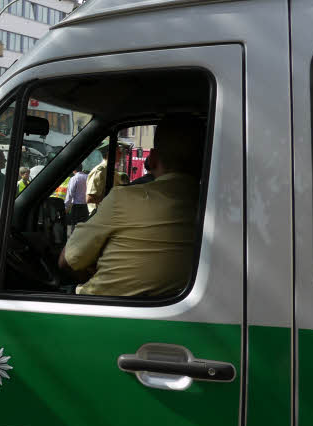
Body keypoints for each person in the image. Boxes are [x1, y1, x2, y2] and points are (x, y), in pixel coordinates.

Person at [58, 115, 204, 297]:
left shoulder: (125, 197)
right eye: (118, 151)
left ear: (152, 159)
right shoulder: (216, 208)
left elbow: (68, 260)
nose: (120, 154)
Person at [86, 142, 126, 214]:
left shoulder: (111, 170)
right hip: (98, 215)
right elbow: (90, 198)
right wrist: (111, 200)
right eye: (118, 151)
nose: (121, 154)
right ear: (110, 153)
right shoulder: (100, 171)